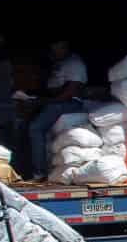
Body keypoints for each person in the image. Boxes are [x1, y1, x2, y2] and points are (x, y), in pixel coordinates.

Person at [27, 42, 88, 177]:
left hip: (69, 103)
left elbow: (71, 90)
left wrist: (46, 101)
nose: (54, 52)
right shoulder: (59, 63)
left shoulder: (74, 64)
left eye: (57, 48)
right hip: (57, 102)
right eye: (52, 49)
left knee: (35, 128)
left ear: (65, 47)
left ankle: (39, 173)